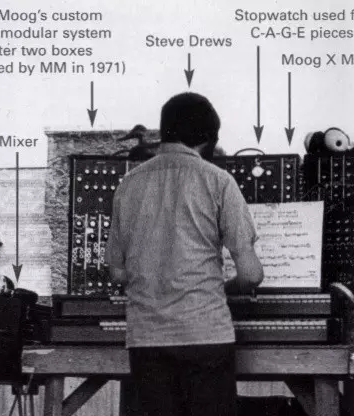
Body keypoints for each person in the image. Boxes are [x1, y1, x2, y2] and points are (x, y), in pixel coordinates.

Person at [106, 92, 264, 416]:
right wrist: (223, 287)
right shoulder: (219, 181)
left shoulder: (127, 185)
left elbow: (117, 273)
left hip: (146, 340)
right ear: (207, 138)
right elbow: (251, 275)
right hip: (205, 335)